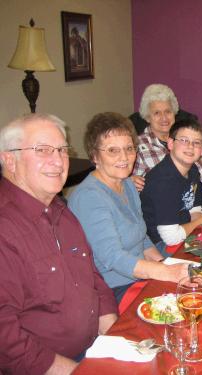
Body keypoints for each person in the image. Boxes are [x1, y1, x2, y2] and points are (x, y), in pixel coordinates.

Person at [0, 113, 117, 375]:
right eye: (42, 150)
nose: (58, 160)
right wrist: (78, 371)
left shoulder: (60, 210)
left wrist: (116, 338)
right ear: (10, 160)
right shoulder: (5, 228)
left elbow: (93, 278)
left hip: (92, 349)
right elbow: (7, 342)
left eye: (62, 150)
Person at [68, 113, 188, 303]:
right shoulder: (89, 198)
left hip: (140, 276)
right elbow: (112, 257)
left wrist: (164, 264)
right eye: (112, 150)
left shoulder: (128, 184)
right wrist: (164, 272)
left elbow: (142, 238)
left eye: (129, 148)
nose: (124, 157)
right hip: (113, 289)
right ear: (94, 156)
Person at [131, 84, 202, 209]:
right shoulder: (138, 146)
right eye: (157, 113)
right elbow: (130, 186)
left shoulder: (186, 138)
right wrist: (128, 182)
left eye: (168, 111)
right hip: (174, 209)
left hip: (201, 200)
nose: (164, 118)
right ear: (148, 117)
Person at [141, 118, 202, 250]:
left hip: (183, 232)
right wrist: (201, 222)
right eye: (184, 140)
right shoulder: (162, 182)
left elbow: (194, 208)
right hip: (161, 244)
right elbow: (171, 238)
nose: (190, 146)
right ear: (171, 144)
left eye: (196, 143)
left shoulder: (193, 170)